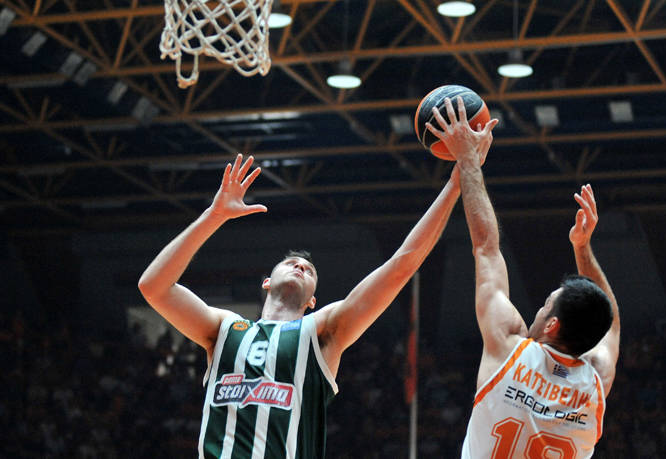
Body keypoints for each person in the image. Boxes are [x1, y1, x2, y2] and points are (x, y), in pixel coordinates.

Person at [138, 153, 466, 458]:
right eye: (291, 264)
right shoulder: (225, 328)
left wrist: (454, 184)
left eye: (308, 270)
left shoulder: (321, 331)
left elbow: (401, 267)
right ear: (267, 282)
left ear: (312, 301)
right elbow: (154, 287)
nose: (299, 266)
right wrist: (214, 216)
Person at [425, 98, 620, 458]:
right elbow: (611, 323)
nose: (539, 310)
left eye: (546, 305)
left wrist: (468, 160)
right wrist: (582, 249)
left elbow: (486, 247)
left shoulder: (509, 348)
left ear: (552, 325)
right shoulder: (596, 381)